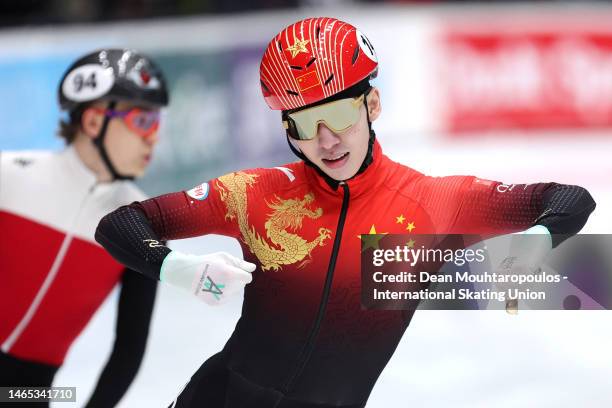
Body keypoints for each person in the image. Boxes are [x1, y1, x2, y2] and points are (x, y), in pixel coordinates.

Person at [95, 18, 596, 408]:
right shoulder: (254, 194)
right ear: (287, 129)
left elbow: (569, 199)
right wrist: (176, 267)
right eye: (306, 124)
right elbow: (120, 224)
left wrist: (538, 238)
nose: (327, 140)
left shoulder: (434, 202)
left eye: (339, 114)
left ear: (372, 104)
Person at [0, 48, 169, 407]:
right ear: (93, 122)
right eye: (143, 121)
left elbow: (128, 350)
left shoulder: (142, 224)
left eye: (158, 122)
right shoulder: (7, 176)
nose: (154, 137)